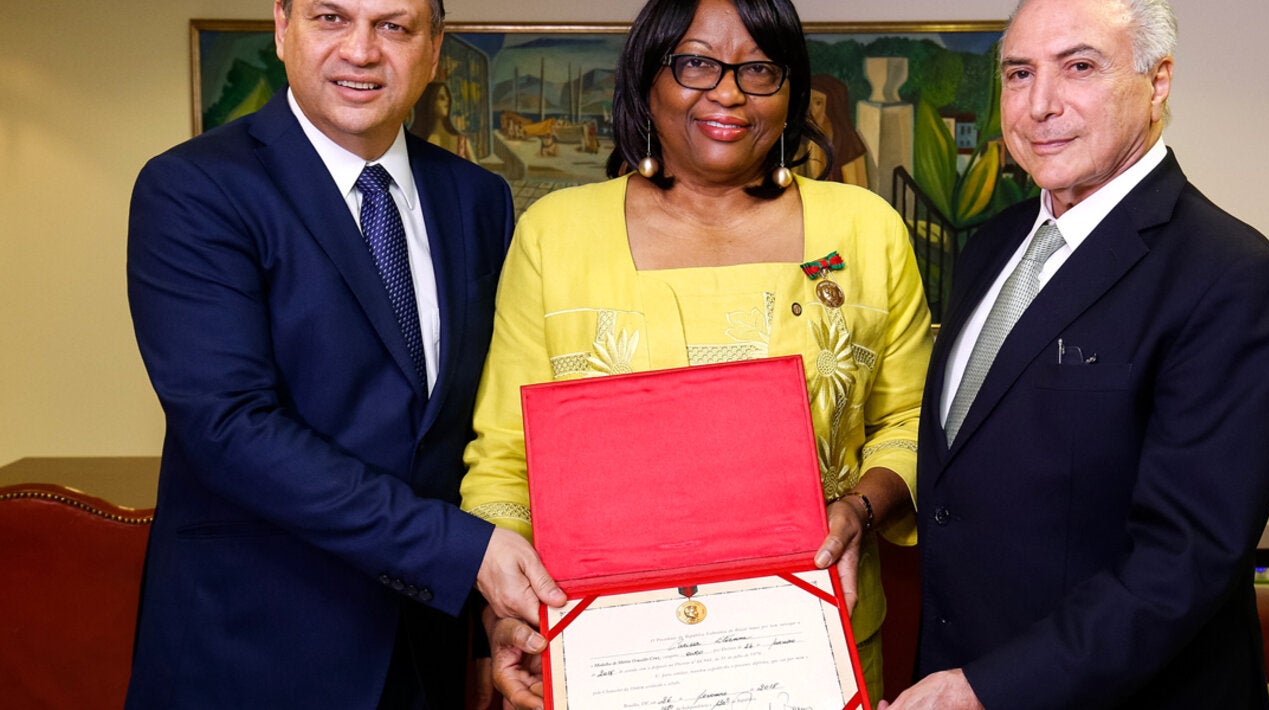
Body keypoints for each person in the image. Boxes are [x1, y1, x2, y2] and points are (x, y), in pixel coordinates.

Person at [459, 0, 933, 706]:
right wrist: (507, 613)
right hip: (609, 651)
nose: (730, 90)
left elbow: (915, 420)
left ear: (792, 88)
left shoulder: (866, 230)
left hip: (811, 647)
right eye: (697, 62)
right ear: (648, 78)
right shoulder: (556, 235)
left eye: (759, 69)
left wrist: (861, 509)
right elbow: (504, 456)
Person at [124, 0, 564, 707]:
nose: (361, 51)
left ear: (433, 48)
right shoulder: (194, 188)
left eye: (394, 26)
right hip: (256, 650)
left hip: (429, 650)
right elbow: (231, 428)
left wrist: (494, 620)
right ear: (281, 26)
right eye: (331, 18)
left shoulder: (476, 198)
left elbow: (477, 426)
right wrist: (464, 553)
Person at [885, 0, 1269, 708]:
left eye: (1079, 66)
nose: (1040, 105)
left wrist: (991, 688)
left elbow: (1183, 560)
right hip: (956, 670)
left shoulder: (1231, 276)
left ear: (1158, 81)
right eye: (1019, 73)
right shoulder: (992, 246)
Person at [801, 73, 869, 187]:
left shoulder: (850, 147)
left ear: (832, 108)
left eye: (818, 103)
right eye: (808, 102)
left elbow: (858, 192)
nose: (810, 110)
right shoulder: (803, 143)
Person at [410, 80, 474, 161]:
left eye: (447, 97)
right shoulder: (413, 143)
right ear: (429, 102)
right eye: (441, 98)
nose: (447, 100)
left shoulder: (461, 142)